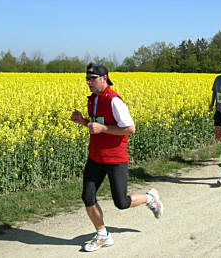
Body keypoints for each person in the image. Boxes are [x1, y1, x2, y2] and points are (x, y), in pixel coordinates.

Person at [70, 63, 164, 252]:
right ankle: (103, 235)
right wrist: (83, 122)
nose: (88, 82)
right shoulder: (94, 99)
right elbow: (97, 125)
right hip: (95, 157)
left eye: (92, 78)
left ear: (104, 78)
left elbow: (130, 128)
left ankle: (149, 198)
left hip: (115, 159)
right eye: (87, 78)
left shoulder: (114, 101)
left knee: (121, 203)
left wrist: (103, 129)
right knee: (88, 197)